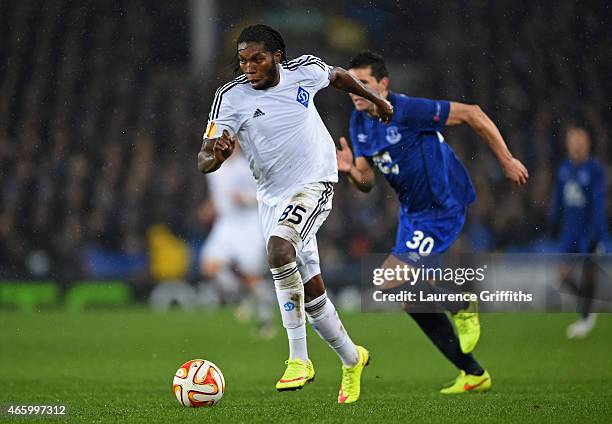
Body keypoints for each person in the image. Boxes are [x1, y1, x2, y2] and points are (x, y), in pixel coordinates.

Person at [197, 25, 393, 404]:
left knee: (278, 250)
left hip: (315, 181)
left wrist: (376, 100)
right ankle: (353, 359)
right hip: (272, 197)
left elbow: (337, 76)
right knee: (311, 291)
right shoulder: (230, 97)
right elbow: (204, 157)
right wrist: (216, 156)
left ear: (277, 57)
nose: (249, 67)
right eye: (242, 61)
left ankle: (298, 359)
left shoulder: (304, 70)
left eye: (257, 59)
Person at [336, 52, 528, 394]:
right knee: (410, 298)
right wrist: (351, 171)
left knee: (387, 281)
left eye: (363, 83)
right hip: (412, 214)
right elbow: (366, 181)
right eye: (352, 84)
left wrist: (507, 159)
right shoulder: (359, 121)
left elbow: (473, 114)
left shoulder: (407, 110)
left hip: (441, 205)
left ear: (383, 84)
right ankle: (473, 373)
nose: (355, 91)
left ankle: (462, 304)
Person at [199, 144, 276, 339]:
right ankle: (240, 295)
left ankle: (266, 322)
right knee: (209, 266)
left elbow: (267, 194)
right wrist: (210, 207)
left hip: (249, 225)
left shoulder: (249, 166)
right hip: (226, 224)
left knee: (252, 276)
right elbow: (219, 195)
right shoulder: (214, 169)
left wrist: (246, 199)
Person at [549, 127, 607, 338]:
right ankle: (587, 309)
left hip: (589, 231)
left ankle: (586, 317)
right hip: (570, 231)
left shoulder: (594, 169)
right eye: (573, 142)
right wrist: (553, 219)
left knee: (588, 274)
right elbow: (558, 197)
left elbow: (598, 203)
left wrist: (594, 234)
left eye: (580, 142)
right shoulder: (564, 168)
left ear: (587, 145)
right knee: (562, 275)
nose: (576, 146)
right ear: (568, 145)